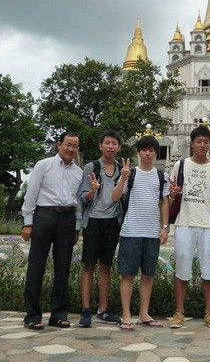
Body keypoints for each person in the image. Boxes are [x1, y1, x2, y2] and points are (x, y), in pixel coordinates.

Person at [21, 131, 82, 330]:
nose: (71, 149)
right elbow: (31, 194)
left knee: (63, 268)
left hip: (67, 218)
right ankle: (32, 315)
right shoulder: (43, 165)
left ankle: (59, 314)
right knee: (36, 266)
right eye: (68, 145)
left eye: (75, 146)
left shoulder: (78, 172)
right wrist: (28, 222)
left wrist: (76, 226)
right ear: (59, 144)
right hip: (44, 216)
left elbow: (78, 202)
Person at [168, 125, 210, 329]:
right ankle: (179, 311)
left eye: (206, 141)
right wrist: (173, 194)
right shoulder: (180, 165)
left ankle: (209, 312)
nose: (202, 145)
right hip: (185, 221)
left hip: (208, 223)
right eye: (198, 141)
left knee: (209, 269)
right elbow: (171, 194)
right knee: (182, 267)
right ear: (191, 143)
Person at [111, 135, 170, 330]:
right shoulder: (130, 173)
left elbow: (164, 202)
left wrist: (165, 227)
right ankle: (126, 315)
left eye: (151, 150)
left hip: (152, 232)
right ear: (138, 152)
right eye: (144, 150)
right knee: (127, 275)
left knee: (148, 275)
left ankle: (144, 313)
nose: (147, 153)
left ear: (155, 153)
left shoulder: (162, 176)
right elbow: (115, 196)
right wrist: (124, 178)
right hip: (130, 231)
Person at [77, 130, 123, 327]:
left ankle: (103, 309)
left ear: (119, 147)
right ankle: (85, 309)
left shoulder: (122, 169)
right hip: (94, 220)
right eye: (107, 143)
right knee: (88, 265)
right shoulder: (92, 167)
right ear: (101, 146)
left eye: (114, 143)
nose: (110, 146)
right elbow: (82, 197)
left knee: (106, 265)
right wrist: (92, 191)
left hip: (112, 221)